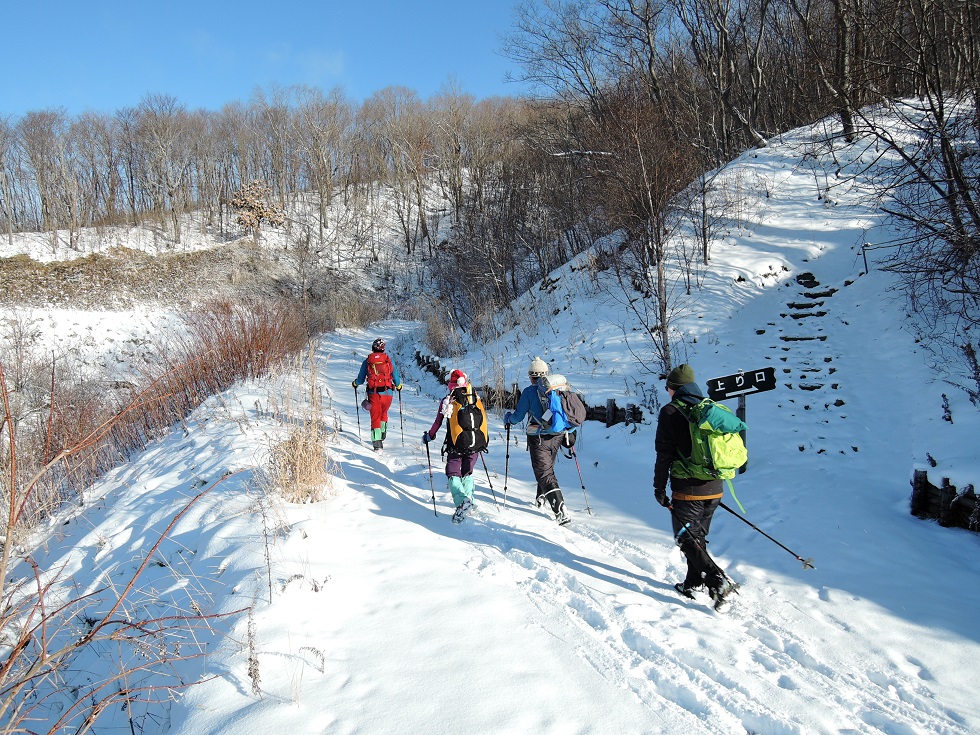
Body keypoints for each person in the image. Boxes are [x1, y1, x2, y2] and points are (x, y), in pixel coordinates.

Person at [653, 363, 736, 611]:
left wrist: (659, 488)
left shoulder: (670, 412)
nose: (667, 391)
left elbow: (663, 454)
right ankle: (692, 583)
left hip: (688, 489)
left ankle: (716, 579)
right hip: (715, 486)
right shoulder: (708, 410)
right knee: (696, 536)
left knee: (685, 537)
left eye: (668, 387)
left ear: (675, 388)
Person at [503, 356, 571, 525]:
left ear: (531, 375)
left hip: (538, 437)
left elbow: (518, 417)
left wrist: (508, 419)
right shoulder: (556, 390)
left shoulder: (529, 392)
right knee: (547, 469)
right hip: (558, 435)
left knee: (544, 472)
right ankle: (540, 498)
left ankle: (560, 510)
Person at [423, 369, 488, 523]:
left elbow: (438, 422)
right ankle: (469, 500)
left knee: (453, 472)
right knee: (467, 472)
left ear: (451, 385)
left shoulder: (448, 400)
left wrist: (429, 436)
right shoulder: (475, 397)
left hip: (456, 445)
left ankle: (462, 502)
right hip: (475, 444)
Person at [352, 338, 402, 451]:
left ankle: (377, 443)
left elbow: (360, 379)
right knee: (384, 413)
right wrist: (398, 386)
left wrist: (355, 384)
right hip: (388, 394)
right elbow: (396, 378)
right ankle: (383, 433)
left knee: (375, 417)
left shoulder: (367, 361)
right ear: (383, 349)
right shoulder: (389, 361)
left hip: (374, 393)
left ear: (373, 348)